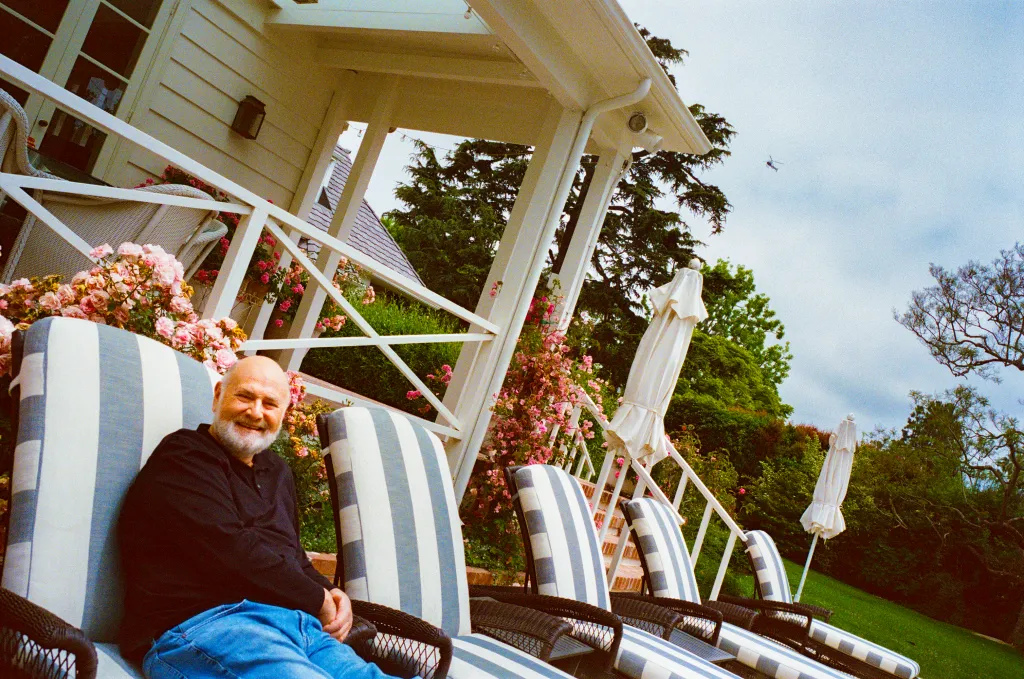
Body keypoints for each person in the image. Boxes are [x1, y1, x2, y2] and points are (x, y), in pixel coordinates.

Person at [118, 356, 396, 679]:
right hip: (206, 626)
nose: (255, 412)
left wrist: (332, 592)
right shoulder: (184, 457)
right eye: (245, 396)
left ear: (283, 414)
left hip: (297, 629)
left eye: (269, 404)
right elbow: (232, 550)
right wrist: (315, 597)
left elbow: (292, 555)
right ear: (218, 395)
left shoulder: (277, 472)